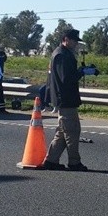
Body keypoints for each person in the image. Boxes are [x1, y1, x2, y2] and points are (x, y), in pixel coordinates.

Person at [40, 29, 98, 171]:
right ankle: (74, 162)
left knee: (63, 131)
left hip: (65, 97)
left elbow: (66, 75)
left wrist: (81, 70)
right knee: (72, 131)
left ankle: (51, 160)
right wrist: (81, 72)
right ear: (66, 39)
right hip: (65, 98)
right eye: (74, 41)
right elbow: (66, 79)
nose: (76, 44)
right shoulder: (62, 55)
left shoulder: (63, 53)